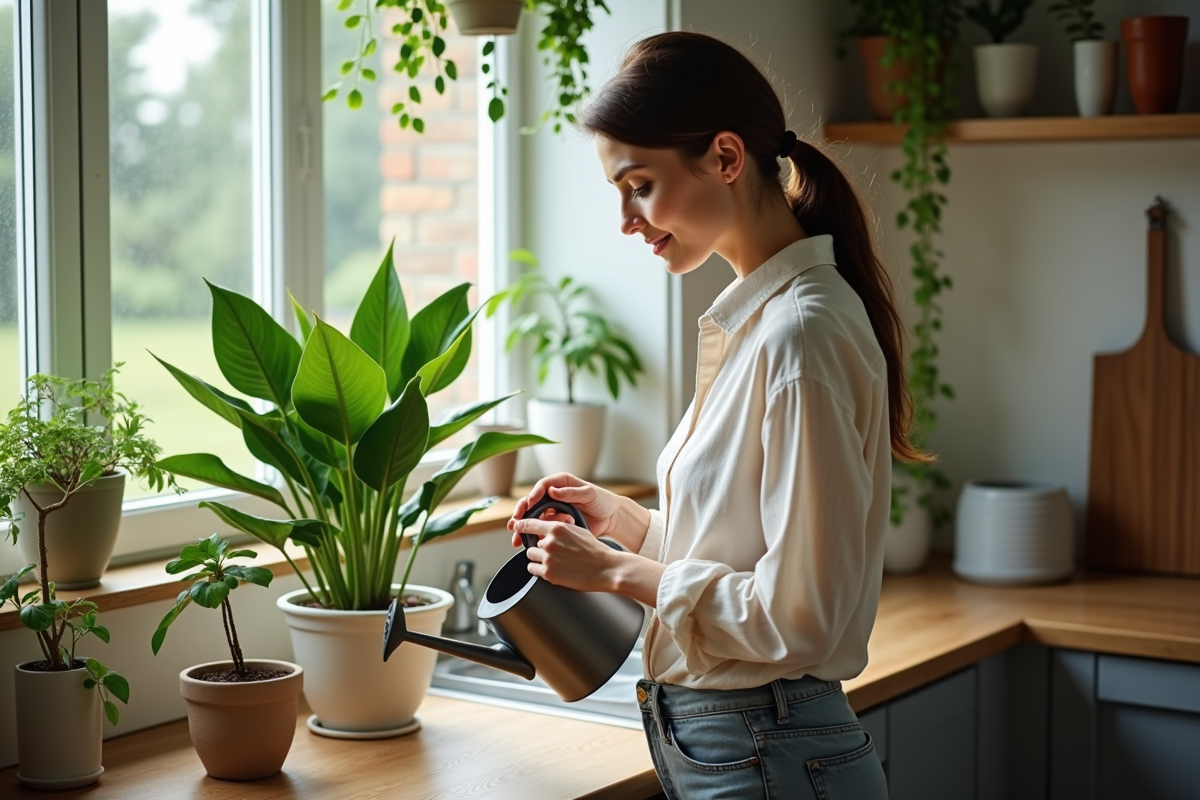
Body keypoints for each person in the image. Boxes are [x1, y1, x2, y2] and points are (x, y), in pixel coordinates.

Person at [508, 31, 926, 800]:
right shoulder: (763, 323)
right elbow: (751, 553)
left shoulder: (801, 336)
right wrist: (627, 525)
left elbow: (801, 617)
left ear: (726, 159)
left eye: (639, 185)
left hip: (768, 749)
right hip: (746, 747)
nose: (628, 221)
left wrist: (618, 572)